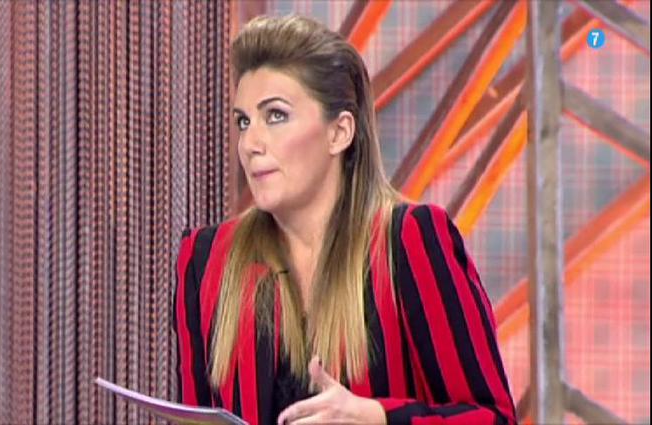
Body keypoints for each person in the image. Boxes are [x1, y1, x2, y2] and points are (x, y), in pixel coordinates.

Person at [173, 14, 516, 425]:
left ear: (339, 132)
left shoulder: (410, 241)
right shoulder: (207, 261)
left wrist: (377, 417)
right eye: (243, 121)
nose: (249, 143)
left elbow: (493, 418)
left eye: (275, 115)